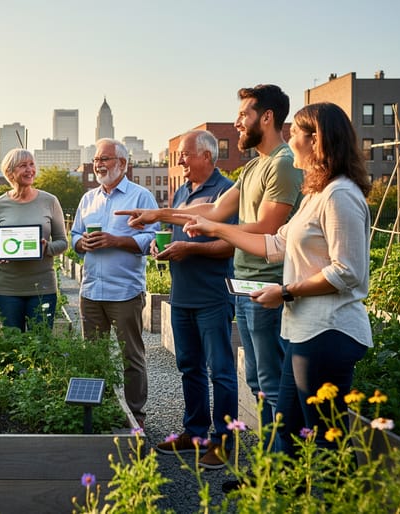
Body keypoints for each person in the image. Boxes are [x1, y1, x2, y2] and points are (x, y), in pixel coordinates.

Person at [180, 102, 373, 456]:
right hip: (302, 331)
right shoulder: (316, 194)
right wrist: (214, 226)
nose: (290, 138)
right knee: (288, 434)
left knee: (328, 444)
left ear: (317, 141)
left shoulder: (341, 195)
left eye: (296, 133)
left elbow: (347, 272)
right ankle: (280, 496)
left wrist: (284, 291)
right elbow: (275, 244)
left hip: (328, 332)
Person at [118, 84, 303, 437]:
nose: (237, 124)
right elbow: (213, 209)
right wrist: (157, 215)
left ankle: (283, 475)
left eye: (243, 115)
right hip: (245, 287)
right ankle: (268, 468)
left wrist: (210, 228)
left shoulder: (282, 164)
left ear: (267, 117)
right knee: (256, 379)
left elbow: (266, 228)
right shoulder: (253, 168)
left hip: (268, 285)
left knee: (271, 384)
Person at [150, 131, 237, 470]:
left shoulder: (227, 192)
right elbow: (176, 235)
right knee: (190, 368)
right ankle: (196, 432)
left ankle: (224, 441)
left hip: (213, 296)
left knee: (222, 372)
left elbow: (231, 245)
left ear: (206, 156)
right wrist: (164, 248)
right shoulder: (183, 190)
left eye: (185, 155)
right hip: (181, 295)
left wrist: (189, 249)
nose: (180, 162)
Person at [71, 138, 158, 428]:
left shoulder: (140, 197)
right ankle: (101, 410)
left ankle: (136, 415)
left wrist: (116, 240)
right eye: (96, 159)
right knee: (93, 355)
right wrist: (82, 243)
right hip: (91, 290)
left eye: (105, 159)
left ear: (122, 163)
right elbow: (74, 237)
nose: (99, 165)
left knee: (130, 356)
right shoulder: (88, 198)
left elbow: (152, 240)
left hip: (125, 291)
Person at [0, 149, 68, 331]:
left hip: (43, 288)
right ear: (10, 173)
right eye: (23, 166)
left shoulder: (50, 201)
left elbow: (62, 241)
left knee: (42, 343)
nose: (30, 169)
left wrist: (46, 248)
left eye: (32, 164)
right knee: (13, 345)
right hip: (7, 289)